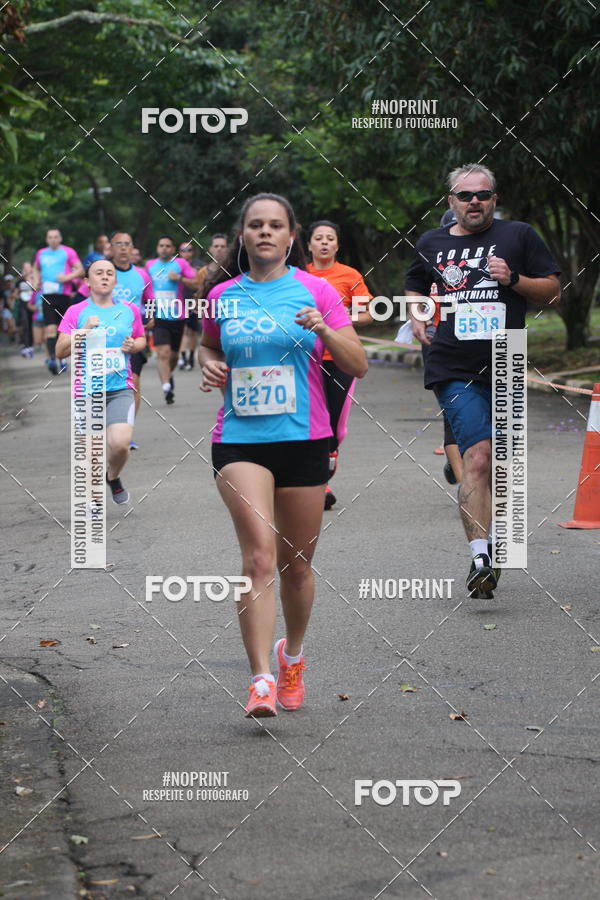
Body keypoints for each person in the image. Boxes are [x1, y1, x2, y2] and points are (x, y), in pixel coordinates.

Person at [199, 193, 367, 719]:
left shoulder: (316, 289)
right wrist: (209, 366)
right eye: (256, 225)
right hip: (240, 442)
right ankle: (261, 680)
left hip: (304, 440)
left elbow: (357, 362)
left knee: (297, 566)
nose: (265, 232)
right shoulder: (222, 294)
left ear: (290, 236)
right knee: (259, 559)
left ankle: (291, 657)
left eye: (275, 225)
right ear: (243, 235)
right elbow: (208, 345)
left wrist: (322, 329)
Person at [406, 163, 560, 598]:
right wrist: (418, 317)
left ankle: (497, 542)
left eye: (483, 194)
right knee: (477, 456)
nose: (474, 201)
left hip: (506, 361)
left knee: (502, 465)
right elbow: (415, 286)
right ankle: (480, 557)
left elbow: (553, 291)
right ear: (451, 202)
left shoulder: (520, 236)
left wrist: (513, 279)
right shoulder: (431, 242)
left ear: (495, 198)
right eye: (465, 195)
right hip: (452, 365)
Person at [56, 259, 146, 504]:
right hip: (87, 391)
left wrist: (133, 345)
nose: (105, 277)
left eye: (109, 273)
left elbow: (141, 339)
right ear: (87, 281)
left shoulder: (130, 310)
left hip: (120, 389)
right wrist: (83, 330)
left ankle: (112, 476)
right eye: (98, 273)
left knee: (120, 445)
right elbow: (60, 351)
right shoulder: (76, 311)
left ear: (115, 281)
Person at [306, 220, 372, 509]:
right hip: (306, 359)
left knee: (335, 425)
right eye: (318, 238)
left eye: (329, 238)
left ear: (337, 245)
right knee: (309, 418)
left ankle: (329, 455)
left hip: (339, 359)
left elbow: (368, 314)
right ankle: (319, 483)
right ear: (308, 245)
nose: (323, 243)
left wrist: (336, 321)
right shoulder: (299, 275)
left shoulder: (349, 275)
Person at [77, 231, 153, 449]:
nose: (123, 248)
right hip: (100, 338)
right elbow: (83, 299)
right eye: (118, 244)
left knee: (133, 384)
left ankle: (125, 428)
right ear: (110, 248)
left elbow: (149, 300)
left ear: (132, 249)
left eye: (127, 244)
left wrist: (150, 318)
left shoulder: (142, 275)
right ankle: (102, 428)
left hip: (129, 337)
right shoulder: (100, 271)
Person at [145, 235, 199, 404]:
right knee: (163, 353)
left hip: (178, 316)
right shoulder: (149, 266)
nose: (164, 248)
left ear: (173, 249)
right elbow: (145, 290)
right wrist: (149, 314)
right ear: (157, 248)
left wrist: (180, 279)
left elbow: (196, 283)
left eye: (168, 246)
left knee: (174, 356)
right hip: (159, 316)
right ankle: (166, 386)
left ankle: (169, 375)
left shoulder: (181, 264)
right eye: (161, 245)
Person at [33, 228, 83, 375]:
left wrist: (67, 278)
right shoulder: (41, 253)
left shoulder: (68, 251)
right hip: (47, 295)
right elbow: (36, 268)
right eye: (50, 237)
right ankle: (53, 359)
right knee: (50, 329)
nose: (53, 240)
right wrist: (36, 280)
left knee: (63, 329)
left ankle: (62, 358)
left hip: (64, 295)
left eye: (55, 237)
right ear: (46, 239)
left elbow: (80, 269)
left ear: (60, 239)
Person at [177, 240, 201, 371]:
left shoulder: (198, 266)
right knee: (183, 331)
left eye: (189, 250)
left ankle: (191, 357)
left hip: (194, 301)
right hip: (179, 301)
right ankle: (183, 357)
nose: (186, 253)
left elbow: (198, 282)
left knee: (192, 331)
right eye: (183, 250)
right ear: (179, 252)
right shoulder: (175, 266)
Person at [15, 262, 36, 358]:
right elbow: (14, 294)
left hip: (32, 306)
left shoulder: (34, 279)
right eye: (25, 267)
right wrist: (20, 295)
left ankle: (31, 346)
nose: (27, 269)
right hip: (23, 305)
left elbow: (37, 289)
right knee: (25, 324)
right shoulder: (20, 281)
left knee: (32, 325)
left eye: (29, 267)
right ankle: (25, 345)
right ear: (23, 269)